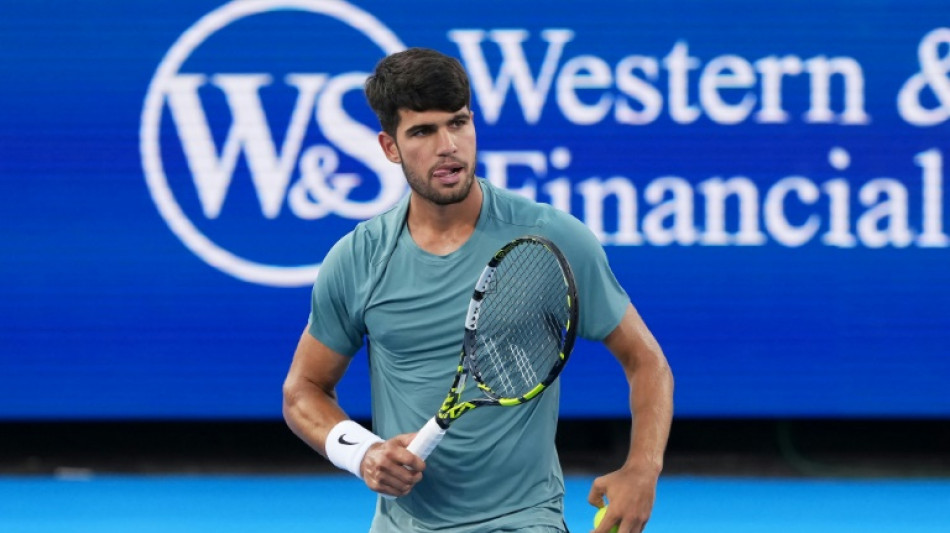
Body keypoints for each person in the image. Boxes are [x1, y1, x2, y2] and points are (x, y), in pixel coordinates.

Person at [282, 47, 674, 533]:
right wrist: (363, 452)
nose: (448, 145)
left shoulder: (551, 236)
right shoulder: (358, 258)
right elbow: (302, 389)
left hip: (523, 519)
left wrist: (643, 468)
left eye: (459, 123)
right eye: (423, 131)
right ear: (389, 147)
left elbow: (646, 360)